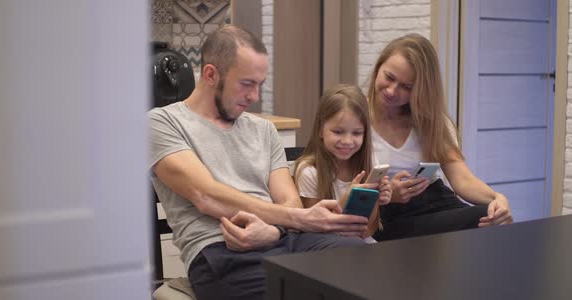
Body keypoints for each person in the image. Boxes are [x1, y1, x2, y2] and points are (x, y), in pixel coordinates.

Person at [148, 25, 368, 300]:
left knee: (366, 262)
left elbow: (289, 200)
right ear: (211, 74)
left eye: (259, 85)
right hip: (222, 250)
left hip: (282, 239)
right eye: (246, 84)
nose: (254, 96)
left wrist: (274, 231)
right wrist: (302, 219)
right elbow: (207, 196)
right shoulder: (162, 122)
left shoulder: (263, 130)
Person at [365, 33, 513, 241]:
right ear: (378, 67)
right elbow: (341, 187)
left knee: (491, 217)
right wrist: (388, 196)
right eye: (389, 77)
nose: (391, 90)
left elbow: (462, 179)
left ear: (419, 90)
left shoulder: (430, 121)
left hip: (436, 202)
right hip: (386, 216)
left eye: (406, 87)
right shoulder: (355, 120)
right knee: (480, 220)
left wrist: (497, 199)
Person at [293, 84, 392, 242]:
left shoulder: (370, 161)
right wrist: (345, 201)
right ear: (320, 130)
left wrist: (375, 200)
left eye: (357, 133)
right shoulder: (309, 172)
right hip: (326, 249)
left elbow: (367, 231)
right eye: (338, 132)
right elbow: (313, 236)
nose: (347, 141)